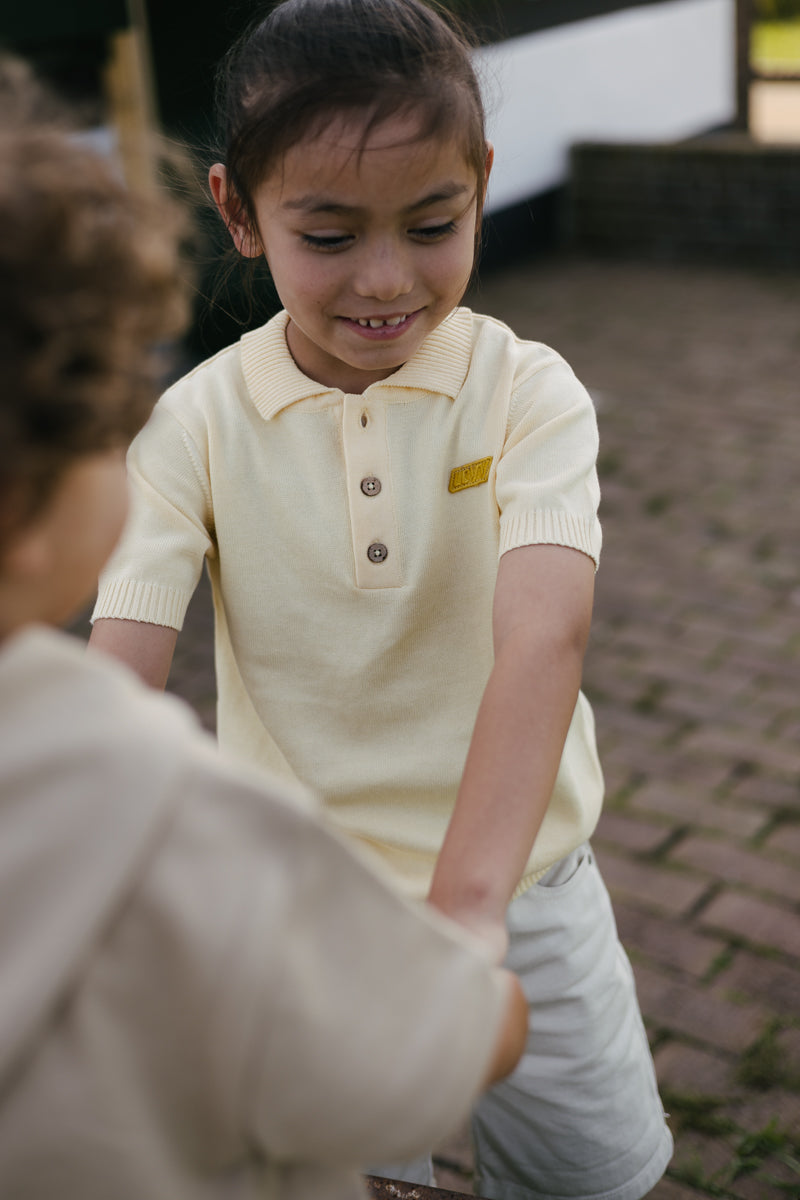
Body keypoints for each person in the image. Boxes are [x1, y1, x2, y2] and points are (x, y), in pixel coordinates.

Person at [90, 1, 674, 1196]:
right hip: (303, 914)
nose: (385, 279)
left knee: (592, 1178)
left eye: (430, 223)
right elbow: (118, 672)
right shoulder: (191, 425)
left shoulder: (529, 392)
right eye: (329, 233)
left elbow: (542, 633)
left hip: (521, 887)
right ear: (237, 216)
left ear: (481, 186)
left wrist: (470, 912)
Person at [0, 87, 530, 1200]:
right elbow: (429, 1057)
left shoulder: (520, 388)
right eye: (111, 406)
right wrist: (485, 978)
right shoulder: (177, 825)